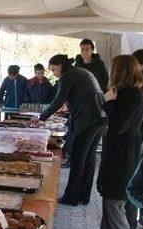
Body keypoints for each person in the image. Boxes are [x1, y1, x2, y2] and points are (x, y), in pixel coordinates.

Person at [94, 55, 143, 229]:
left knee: (115, 199)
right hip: (115, 150)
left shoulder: (133, 94)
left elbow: (118, 126)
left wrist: (109, 103)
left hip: (124, 154)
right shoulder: (122, 92)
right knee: (108, 196)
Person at [38, 54, 106, 206]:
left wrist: (41, 118)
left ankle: (71, 197)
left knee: (77, 157)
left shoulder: (67, 76)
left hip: (86, 120)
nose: (53, 72)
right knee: (89, 158)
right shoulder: (81, 72)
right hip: (99, 118)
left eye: (53, 69)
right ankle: (84, 196)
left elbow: (58, 100)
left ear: (60, 64)